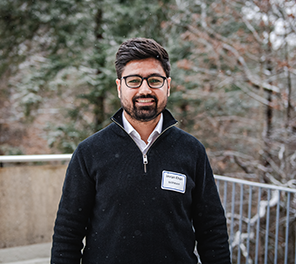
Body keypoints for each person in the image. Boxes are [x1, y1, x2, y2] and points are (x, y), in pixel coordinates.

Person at [51, 38, 231, 264]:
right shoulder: (89, 152)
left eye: (154, 80)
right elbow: (68, 232)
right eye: (134, 81)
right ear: (119, 87)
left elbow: (212, 229)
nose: (144, 89)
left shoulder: (192, 150)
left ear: (168, 85)